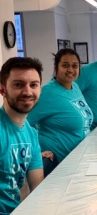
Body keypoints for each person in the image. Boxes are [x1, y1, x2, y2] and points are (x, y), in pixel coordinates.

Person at [28, 49, 93, 176]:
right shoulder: (46, 93)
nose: (70, 69)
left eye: (75, 66)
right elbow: (23, 123)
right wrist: (36, 151)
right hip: (60, 167)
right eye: (65, 65)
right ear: (56, 67)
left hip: (80, 161)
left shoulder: (75, 87)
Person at [0, 57, 44, 214]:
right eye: (18, 85)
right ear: (3, 89)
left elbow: (38, 188)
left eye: (33, 85)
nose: (27, 92)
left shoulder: (31, 134)